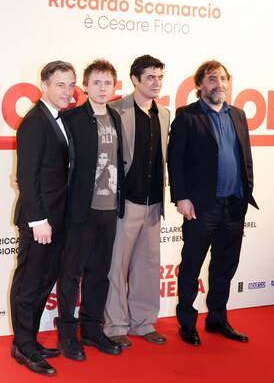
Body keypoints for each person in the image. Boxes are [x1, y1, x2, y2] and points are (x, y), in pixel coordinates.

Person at [168, 60, 257, 346]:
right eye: (211, 79)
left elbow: (245, 158)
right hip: (201, 207)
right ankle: (187, 322)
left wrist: (247, 190)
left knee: (225, 265)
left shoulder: (238, 115)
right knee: (192, 264)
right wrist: (181, 197)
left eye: (222, 78)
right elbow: (176, 161)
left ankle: (217, 319)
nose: (218, 83)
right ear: (199, 86)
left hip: (234, 204)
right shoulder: (186, 116)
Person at [9, 60, 76, 377]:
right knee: (29, 285)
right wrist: (38, 221)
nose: (67, 90)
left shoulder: (60, 119)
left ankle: (28, 340)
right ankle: (23, 346)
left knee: (42, 282)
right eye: (60, 84)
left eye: (71, 84)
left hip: (57, 219)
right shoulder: (35, 122)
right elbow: (27, 175)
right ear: (44, 86)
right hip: (40, 222)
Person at [57, 59, 125, 360]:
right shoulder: (71, 119)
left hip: (109, 210)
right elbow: (59, 164)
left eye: (107, 83)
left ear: (114, 86)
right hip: (80, 211)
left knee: (100, 273)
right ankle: (67, 335)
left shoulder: (115, 117)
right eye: (96, 82)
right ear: (85, 86)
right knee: (71, 274)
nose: (101, 88)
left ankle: (92, 329)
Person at [104, 55, 170, 348]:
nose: (156, 83)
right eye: (150, 77)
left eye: (159, 77)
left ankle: (144, 323)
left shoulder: (165, 114)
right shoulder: (116, 110)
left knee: (147, 266)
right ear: (134, 80)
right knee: (116, 266)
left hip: (154, 203)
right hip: (125, 203)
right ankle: (115, 324)